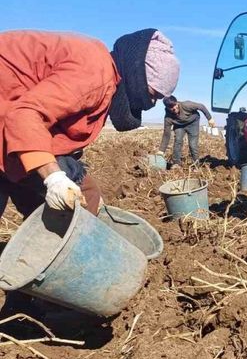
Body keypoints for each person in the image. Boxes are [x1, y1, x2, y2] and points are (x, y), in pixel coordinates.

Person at [0, 29, 179, 218]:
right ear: (138, 74)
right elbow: (25, 115)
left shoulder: (105, 77)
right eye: (153, 95)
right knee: (76, 195)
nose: (151, 104)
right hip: (13, 120)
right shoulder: (94, 73)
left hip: (11, 128)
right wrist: (54, 178)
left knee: (82, 195)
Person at [157, 96, 215, 165]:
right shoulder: (168, 118)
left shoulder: (186, 105)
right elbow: (166, 134)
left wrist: (210, 118)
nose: (174, 108)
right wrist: (161, 150)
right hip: (179, 126)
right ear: (167, 108)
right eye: (171, 107)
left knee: (193, 144)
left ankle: (196, 164)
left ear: (177, 102)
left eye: (175, 105)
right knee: (177, 141)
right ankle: (176, 164)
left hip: (193, 123)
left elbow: (201, 106)